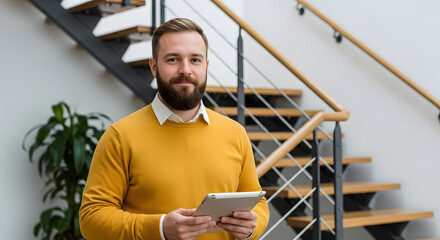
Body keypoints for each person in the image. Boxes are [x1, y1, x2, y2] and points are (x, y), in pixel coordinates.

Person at [79, 18, 269, 240]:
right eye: (173, 59)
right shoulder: (120, 137)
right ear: (153, 66)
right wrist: (159, 228)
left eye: (195, 60)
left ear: (206, 66)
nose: (185, 70)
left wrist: (252, 227)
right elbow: (91, 219)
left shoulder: (235, 133)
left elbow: (259, 205)